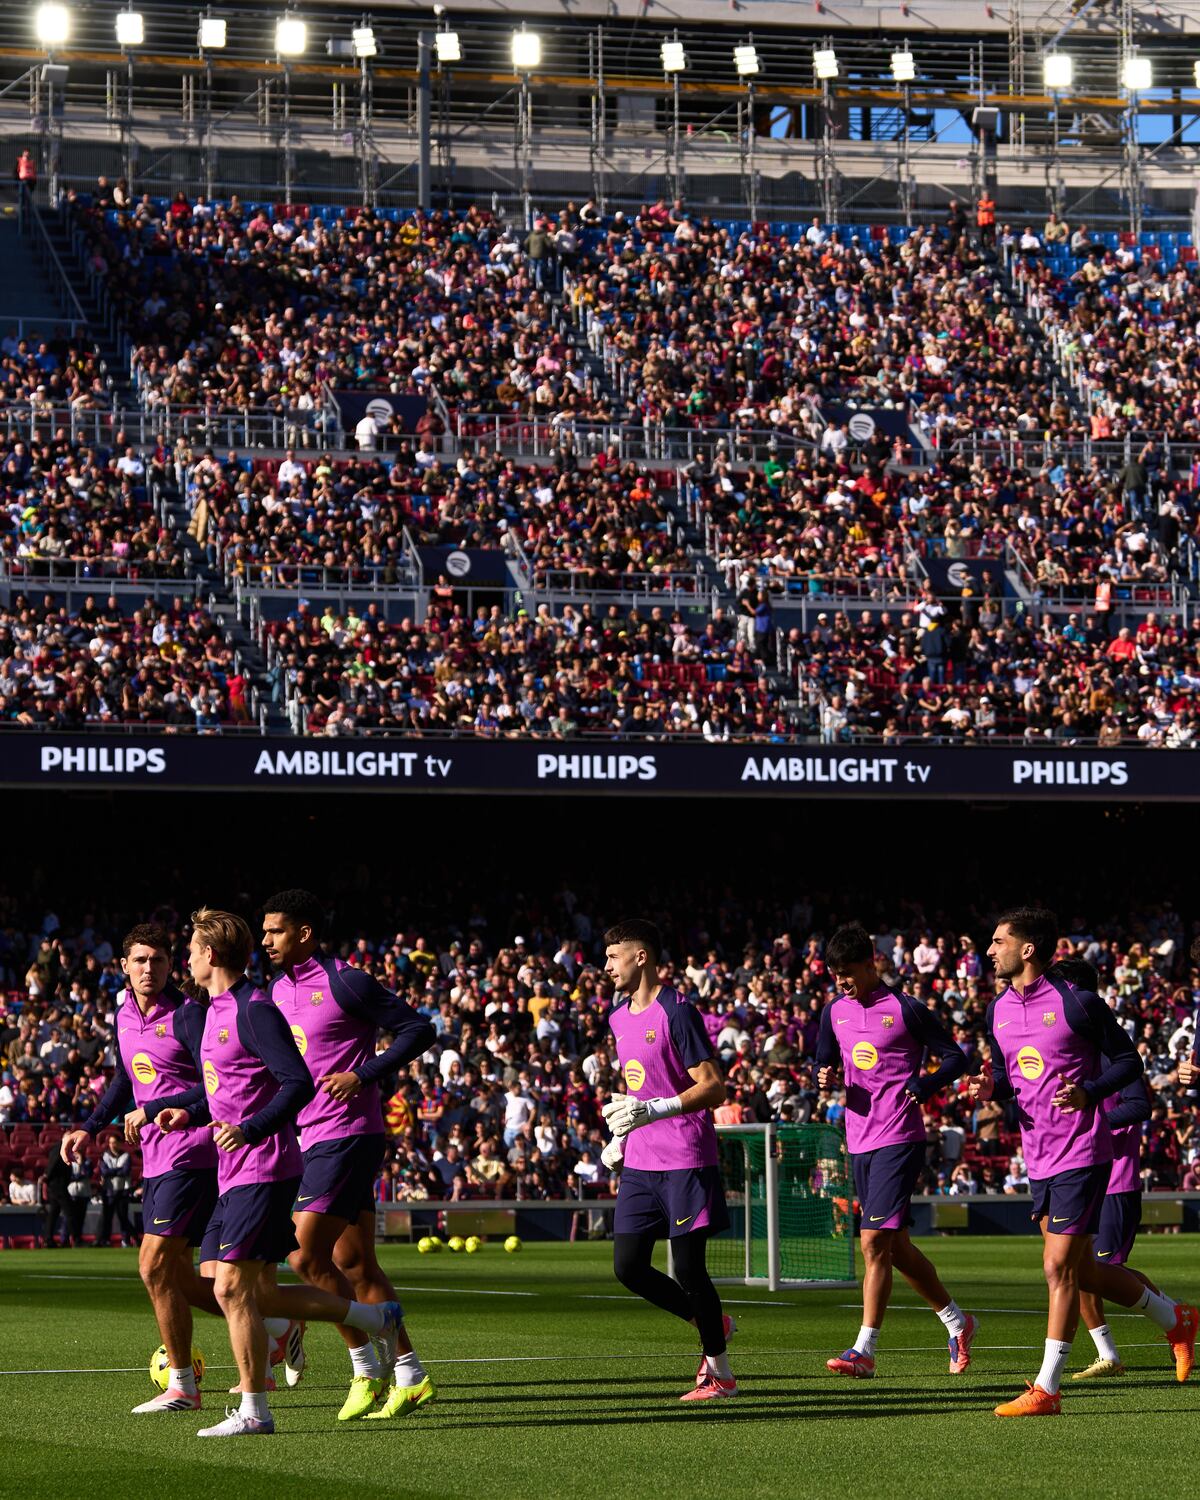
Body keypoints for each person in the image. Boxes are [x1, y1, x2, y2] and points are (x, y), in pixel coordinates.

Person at [165, 908, 402, 1437]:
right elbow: (220, 1088)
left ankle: (255, 1411)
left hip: (264, 1166)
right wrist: (189, 1110)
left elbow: (296, 1083)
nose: (186, 959)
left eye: (191, 949)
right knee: (258, 1294)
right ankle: (372, 1318)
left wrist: (250, 1129)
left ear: (210, 955)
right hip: (235, 1171)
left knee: (232, 1290)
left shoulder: (253, 1009)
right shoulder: (215, 1011)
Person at [969, 907, 1195, 1418]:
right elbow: (1013, 1080)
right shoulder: (997, 1010)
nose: (990, 950)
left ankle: (1047, 1388)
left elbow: (1129, 1062)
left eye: (999, 941)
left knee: (1056, 1268)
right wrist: (991, 1089)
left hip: (1083, 1150)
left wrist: (1091, 1093)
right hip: (1038, 1155)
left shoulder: (1077, 1002)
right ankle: (1175, 1318)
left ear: (1028, 949)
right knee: (1084, 1270)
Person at [261, 888, 437, 1421]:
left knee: (304, 1255)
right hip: (309, 1136)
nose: (265, 939)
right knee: (355, 1263)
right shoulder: (274, 991)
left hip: (349, 1132)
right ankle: (410, 1373)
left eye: (275, 931)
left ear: (304, 932)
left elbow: (418, 1028)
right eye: (264, 931)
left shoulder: (346, 980)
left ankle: (364, 1365)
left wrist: (363, 1073)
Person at [61, 923, 221, 1412]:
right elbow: (124, 1078)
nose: (149, 968)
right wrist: (89, 1125)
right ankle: (277, 1320)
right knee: (178, 1277)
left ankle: (182, 1387)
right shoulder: (123, 1012)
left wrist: (155, 1109)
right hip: (153, 1157)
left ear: (172, 965)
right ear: (124, 966)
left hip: (194, 1151)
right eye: (140, 960)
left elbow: (217, 1085)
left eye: (158, 960)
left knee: (152, 1265)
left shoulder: (191, 1016)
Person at [816, 923, 977, 1378]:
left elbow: (956, 1058)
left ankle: (864, 1350)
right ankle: (957, 1323)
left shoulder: (906, 1009)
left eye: (848, 972)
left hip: (900, 1136)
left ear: (872, 964)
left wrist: (925, 1084)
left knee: (872, 1242)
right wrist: (823, 1077)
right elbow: (823, 1062)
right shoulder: (833, 1013)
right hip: (859, 1138)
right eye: (834, 973)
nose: (841, 981)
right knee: (897, 1246)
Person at [599, 918, 736, 1401]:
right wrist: (623, 1131)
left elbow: (714, 1087)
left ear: (642, 957)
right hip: (640, 1159)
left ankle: (719, 1374)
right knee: (628, 1266)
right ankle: (712, 1323)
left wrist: (654, 1110)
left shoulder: (677, 1011)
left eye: (615, 956)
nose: (607, 965)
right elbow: (643, 1087)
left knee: (690, 1270)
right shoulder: (617, 1017)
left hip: (684, 1155)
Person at [1050, 958, 1157, 1381]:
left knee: (1101, 1270)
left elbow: (1139, 1105)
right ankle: (1110, 1354)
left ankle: (1175, 1320)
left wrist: (1089, 1115)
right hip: (1076, 1174)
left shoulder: (1113, 1046)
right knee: (1076, 1271)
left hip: (1116, 1179)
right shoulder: (1067, 1049)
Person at [98, 1135, 136, 1247]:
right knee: (107, 1217)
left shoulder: (126, 1156)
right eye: (110, 1142)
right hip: (109, 1191)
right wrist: (117, 1171)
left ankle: (126, 1240)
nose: (112, 1145)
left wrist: (112, 1171)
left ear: (119, 1143)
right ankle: (105, 1240)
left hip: (122, 1191)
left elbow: (125, 1171)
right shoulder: (104, 1156)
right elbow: (104, 1172)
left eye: (114, 1142)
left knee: (123, 1217)